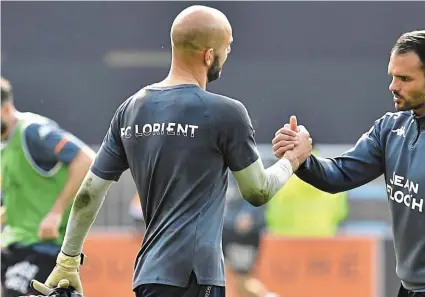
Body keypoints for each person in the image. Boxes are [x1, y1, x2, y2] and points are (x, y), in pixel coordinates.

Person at [34, 5, 312, 297]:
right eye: (226, 48)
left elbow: (89, 193)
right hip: (196, 274)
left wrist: (67, 260)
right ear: (208, 55)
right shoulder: (226, 113)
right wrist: (293, 159)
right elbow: (258, 191)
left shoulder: (130, 110)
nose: (227, 55)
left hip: (148, 275)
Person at [272, 30, 425, 297]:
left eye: (405, 78)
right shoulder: (390, 128)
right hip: (408, 289)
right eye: (393, 76)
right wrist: (301, 160)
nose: (393, 86)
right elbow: (338, 175)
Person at [0, 76, 94, 297]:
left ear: (5, 109)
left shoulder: (33, 131)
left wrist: (56, 212)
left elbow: (86, 159)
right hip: (15, 244)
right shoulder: (4, 147)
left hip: (44, 247)